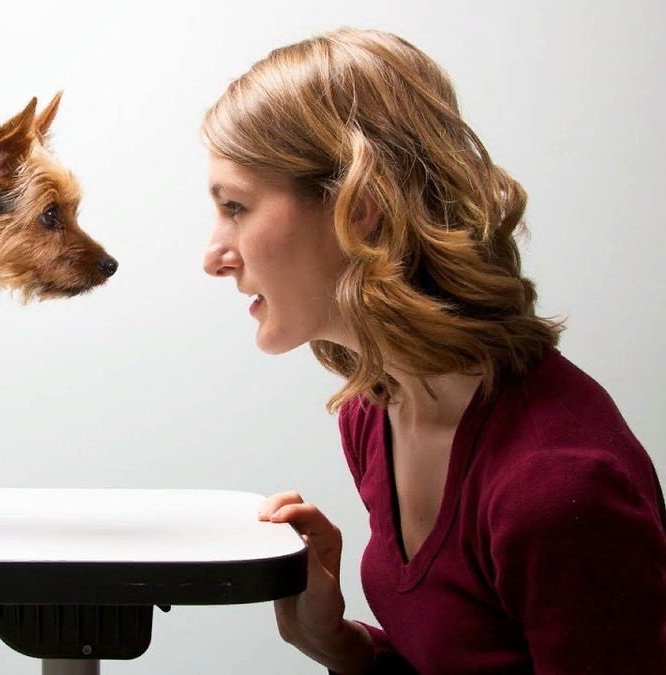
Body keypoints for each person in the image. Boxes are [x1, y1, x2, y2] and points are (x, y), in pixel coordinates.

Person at [200, 27, 666, 674]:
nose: (214, 256)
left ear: (359, 210)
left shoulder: (557, 489)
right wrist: (336, 641)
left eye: (236, 206)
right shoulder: (375, 414)